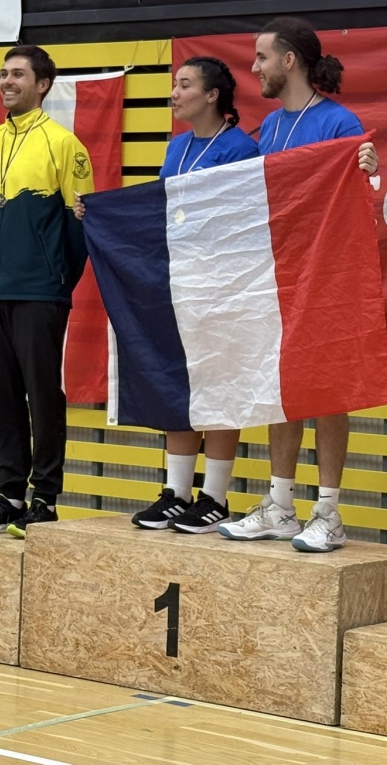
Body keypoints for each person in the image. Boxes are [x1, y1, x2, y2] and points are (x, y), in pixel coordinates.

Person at [77, 56, 259, 533]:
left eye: (184, 85)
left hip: (221, 284)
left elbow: (239, 217)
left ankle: (215, 497)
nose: (174, 93)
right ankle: (177, 493)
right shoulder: (178, 147)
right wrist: (101, 213)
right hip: (176, 283)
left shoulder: (239, 148)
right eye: (175, 85)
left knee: (218, 386)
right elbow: (158, 211)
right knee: (177, 381)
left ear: (212, 95)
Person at [216, 16, 377, 553]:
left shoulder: (338, 122)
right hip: (277, 275)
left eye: (262, 57)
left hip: (326, 277)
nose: (254, 67)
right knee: (278, 388)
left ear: (290, 60)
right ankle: (280, 506)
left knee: (328, 392)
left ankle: (328, 512)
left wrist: (367, 166)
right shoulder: (269, 127)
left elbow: (357, 196)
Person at [0, 45, 95, 538]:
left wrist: (56, 282)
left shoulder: (65, 145)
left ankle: (45, 498)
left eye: (18, 74)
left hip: (40, 291)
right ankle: (9, 495)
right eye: (3, 73)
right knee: (0, 396)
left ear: (42, 85)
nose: (7, 81)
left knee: (42, 395)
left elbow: (79, 228)